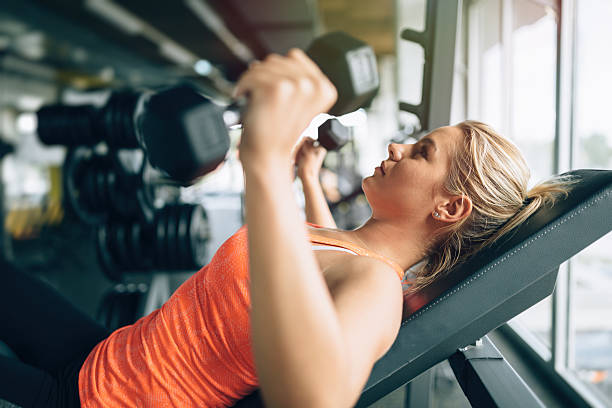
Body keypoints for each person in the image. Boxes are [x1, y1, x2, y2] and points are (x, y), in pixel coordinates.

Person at [0, 49, 571, 408]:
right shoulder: (350, 249)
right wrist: (304, 173)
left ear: (448, 209)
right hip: (107, 356)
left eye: (421, 152)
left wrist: (263, 167)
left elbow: (315, 399)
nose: (397, 146)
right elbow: (317, 258)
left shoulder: (376, 293)